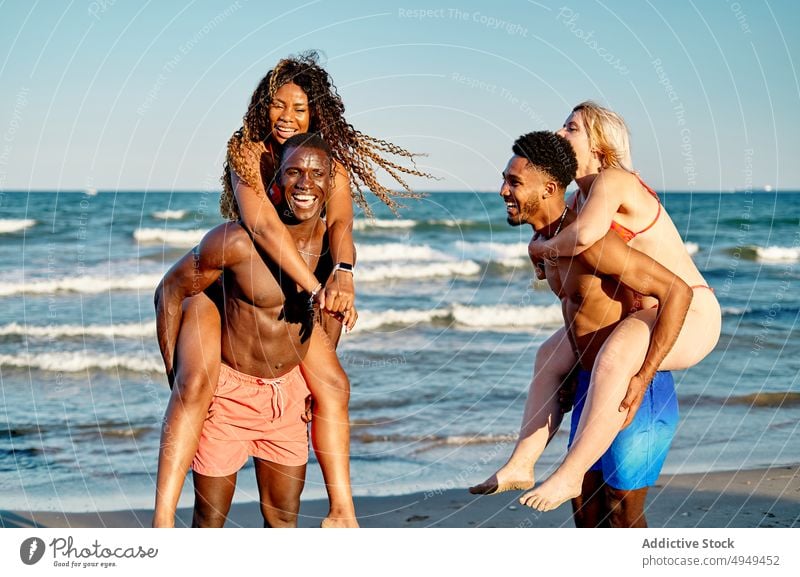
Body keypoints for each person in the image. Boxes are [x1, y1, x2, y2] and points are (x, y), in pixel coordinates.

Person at [153, 52, 433, 528]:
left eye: (299, 108)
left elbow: (342, 222)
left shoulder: (328, 163)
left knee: (334, 385)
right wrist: (315, 285)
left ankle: (343, 511)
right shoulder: (247, 150)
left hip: (289, 292)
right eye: (277, 105)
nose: (286, 117)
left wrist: (343, 272)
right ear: (263, 107)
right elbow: (261, 223)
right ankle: (161, 524)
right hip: (227, 284)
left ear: (316, 112)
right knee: (194, 385)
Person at [471, 102, 721, 510]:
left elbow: (585, 236)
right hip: (643, 311)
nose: (560, 131)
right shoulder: (579, 199)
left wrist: (543, 249)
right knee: (549, 354)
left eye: (572, 127)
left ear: (600, 146)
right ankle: (522, 462)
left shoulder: (614, 180)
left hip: (691, 310)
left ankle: (570, 474)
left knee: (617, 356)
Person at [155, 134, 340, 527]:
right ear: (276, 183)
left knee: (282, 523)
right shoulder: (235, 242)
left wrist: (315, 384)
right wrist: (179, 380)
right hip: (228, 399)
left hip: (287, 399)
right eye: (294, 172)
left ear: (331, 183)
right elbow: (170, 290)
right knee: (209, 523)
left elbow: (330, 313)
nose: (306, 182)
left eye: (316, 173)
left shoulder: (330, 249)